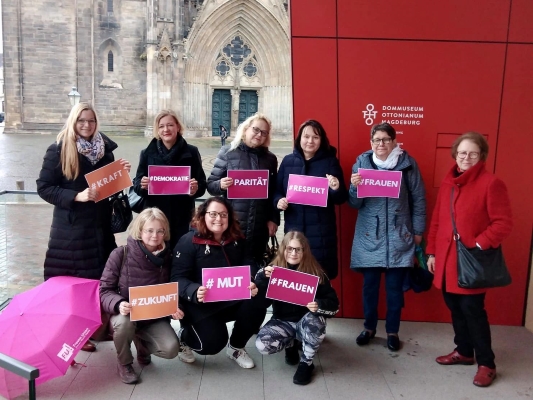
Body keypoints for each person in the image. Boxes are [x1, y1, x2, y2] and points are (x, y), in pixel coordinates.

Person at [37, 102, 131, 352]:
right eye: (81, 120)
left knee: (99, 280)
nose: (86, 125)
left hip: (100, 228)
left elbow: (108, 189)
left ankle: (92, 330)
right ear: (73, 121)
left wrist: (120, 176)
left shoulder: (105, 151)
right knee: (71, 284)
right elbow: (44, 188)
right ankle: (73, 334)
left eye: (90, 120)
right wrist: (76, 196)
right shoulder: (58, 149)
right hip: (71, 231)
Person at [426, 132, 512, 387]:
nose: (466, 157)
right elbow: (438, 221)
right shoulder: (448, 183)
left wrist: (477, 243)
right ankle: (463, 351)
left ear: (481, 156)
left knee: (473, 312)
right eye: (462, 153)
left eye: (473, 153)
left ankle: (487, 363)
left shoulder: (491, 183)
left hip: (471, 261)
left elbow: (503, 223)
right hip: (446, 261)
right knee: (455, 307)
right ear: (455, 155)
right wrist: (431, 252)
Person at [349, 122, 426, 351]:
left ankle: (393, 331)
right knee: (369, 287)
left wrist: (418, 231)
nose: (380, 144)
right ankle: (369, 328)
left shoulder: (408, 164)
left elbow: (419, 199)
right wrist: (354, 188)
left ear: (394, 141)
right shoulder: (362, 163)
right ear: (370, 143)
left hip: (398, 235)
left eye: (385, 139)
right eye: (376, 140)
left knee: (394, 289)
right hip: (369, 236)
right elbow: (354, 204)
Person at [170, 197, 267, 368]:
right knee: (212, 344)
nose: (218, 219)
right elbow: (177, 278)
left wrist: (251, 280)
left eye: (223, 214)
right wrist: (194, 290)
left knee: (260, 297)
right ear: (203, 215)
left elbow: (249, 262)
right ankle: (184, 336)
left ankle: (236, 347)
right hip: (201, 305)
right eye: (213, 214)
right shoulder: (188, 241)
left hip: (231, 298)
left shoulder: (237, 239)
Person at [100, 208, 191, 384]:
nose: (155, 235)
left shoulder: (170, 257)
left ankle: (142, 345)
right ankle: (125, 363)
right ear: (140, 230)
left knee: (171, 349)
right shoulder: (121, 254)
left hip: (153, 317)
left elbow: (176, 288)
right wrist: (119, 304)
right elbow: (104, 290)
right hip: (126, 315)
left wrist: (176, 307)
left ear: (165, 232)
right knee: (123, 323)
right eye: (149, 230)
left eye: (160, 230)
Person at [255, 231, 339, 385]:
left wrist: (319, 305)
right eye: (289, 249)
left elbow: (334, 305)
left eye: (298, 249)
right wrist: (261, 278)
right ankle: (291, 344)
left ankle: (306, 363)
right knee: (262, 345)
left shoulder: (317, 273)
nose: (293, 253)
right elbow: (261, 303)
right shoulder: (273, 270)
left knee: (316, 321)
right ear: (283, 250)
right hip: (282, 320)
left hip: (306, 321)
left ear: (304, 251)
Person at [274, 119, 348, 279]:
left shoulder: (330, 162)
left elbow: (342, 197)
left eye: (315, 137)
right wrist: (278, 201)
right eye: (306, 136)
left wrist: (335, 187)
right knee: (295, 280)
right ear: (299, 138)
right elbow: (277, 191)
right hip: (294, 231)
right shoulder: (288, 162)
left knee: (320, 279)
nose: (310, 141)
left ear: (321, 140)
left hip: (321, 233)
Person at [207, 113, 279, 264]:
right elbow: (211, 185)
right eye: (256, 130)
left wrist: (274, 219)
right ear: (246, 129)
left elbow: (273, 191)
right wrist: (221, 184)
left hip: (259, 226)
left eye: (264, 132)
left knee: (254, 266)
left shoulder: (270, 159)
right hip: (232, 224)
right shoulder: (228, 152)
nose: (259, 135)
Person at [132, 109, 206, 249]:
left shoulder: (192, 151)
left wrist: (195, 189)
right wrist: (142, 185)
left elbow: (202, 184)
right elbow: (137, 183)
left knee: (180, 252)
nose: (166, 129)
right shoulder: (147, 153)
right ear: (157, 130)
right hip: (155, 216)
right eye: (161, 126)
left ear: (178, 127)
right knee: (156, 252)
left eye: (170, 125)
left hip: (182, 215)